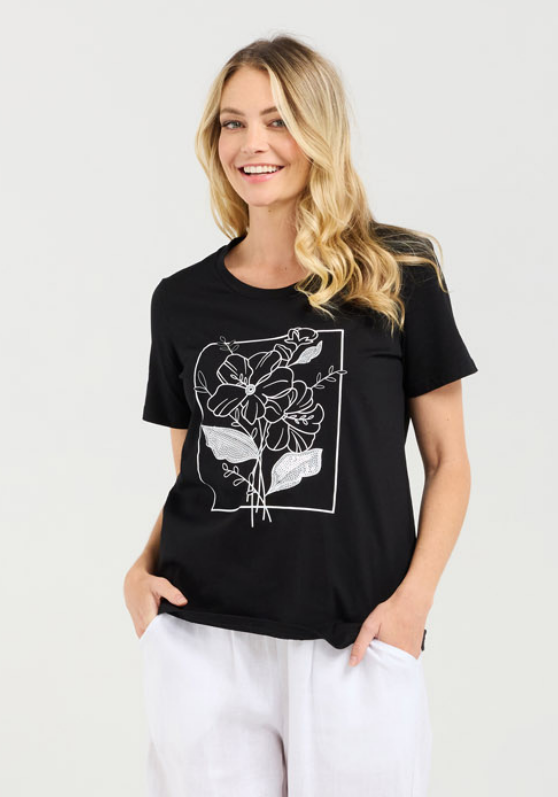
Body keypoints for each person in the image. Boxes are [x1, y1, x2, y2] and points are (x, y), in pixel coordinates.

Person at [123, 33, 478, 797]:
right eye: (233, 122)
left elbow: (448, 460)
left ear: (320, 131)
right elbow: (196, 468)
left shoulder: (398, 273)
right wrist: (140, 569)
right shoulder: (180, 301)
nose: (252, 144)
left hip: (355, 638)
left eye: (278, 120)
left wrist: (413, 603)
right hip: (203, 636)